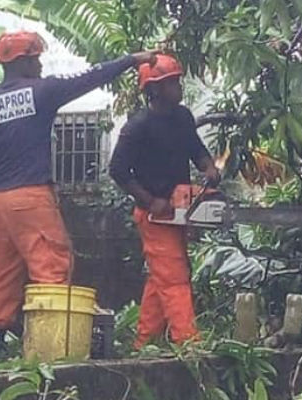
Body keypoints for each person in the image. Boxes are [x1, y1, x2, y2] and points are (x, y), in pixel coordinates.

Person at [0, 30, 157, 360]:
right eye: (36, 58)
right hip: (31, 197)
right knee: (51, 266)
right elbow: (91, 77)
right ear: (23, 61)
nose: (40, 64)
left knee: (1, 273)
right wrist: (131, 60)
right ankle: (50, 348)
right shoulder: (41, 91)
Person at [109, 54, 220, 349]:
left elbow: (196, 149)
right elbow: (117, 170)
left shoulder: (182, 117)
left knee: (162, 277)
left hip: (180, 208)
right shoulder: (138, 126)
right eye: (172, 83)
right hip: (155, 215)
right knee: (174, 279)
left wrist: (208, 167)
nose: (178, 87)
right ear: (154, 89)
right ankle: (189, 343)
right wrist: (149, 200)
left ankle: (143, 342)